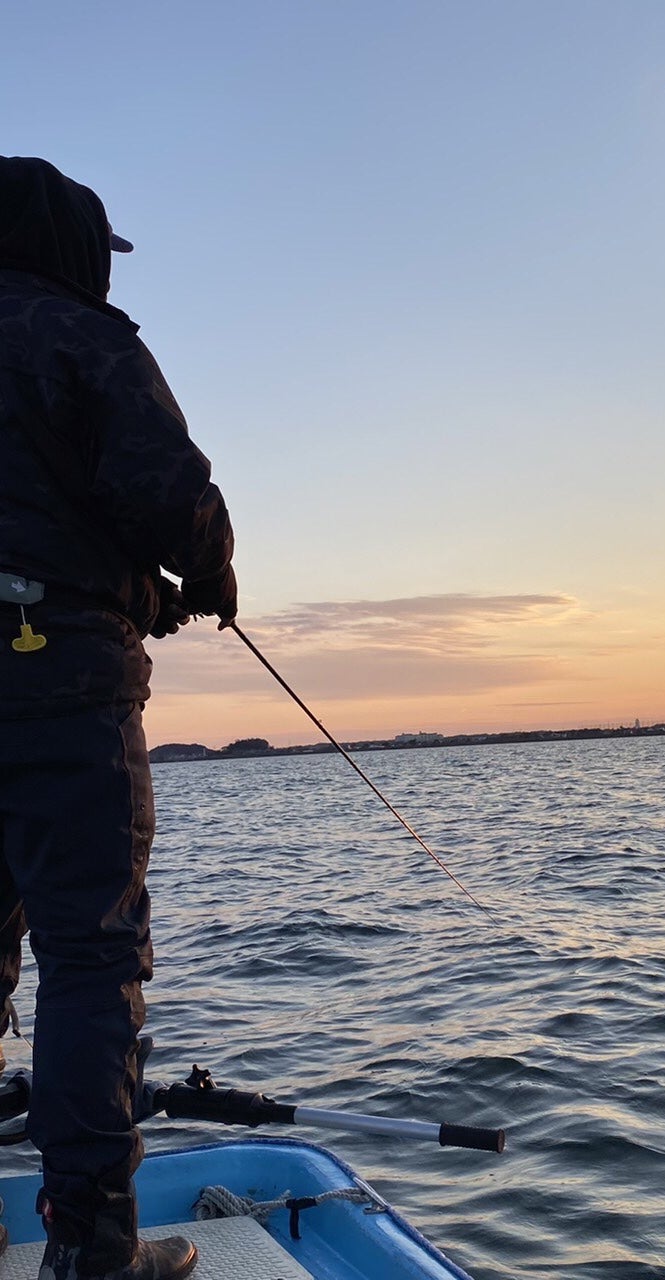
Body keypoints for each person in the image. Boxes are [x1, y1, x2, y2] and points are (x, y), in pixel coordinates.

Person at [0, 156, 236, 1280]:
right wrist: (207, 573)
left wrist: (140, 590)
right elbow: (171, 496)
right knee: (92, 960)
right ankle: (93, 1249)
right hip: (62, 697)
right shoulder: (80, 337)